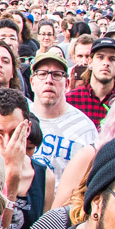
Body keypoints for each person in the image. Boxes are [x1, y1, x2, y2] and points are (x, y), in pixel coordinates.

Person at [0, 89, 52, 229]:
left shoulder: (45, 176)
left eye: (14, 133)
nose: (7, 143)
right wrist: (11, 178)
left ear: (27, 129)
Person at [27, 45, 96, 176]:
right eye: (42, 74)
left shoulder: (85, 129)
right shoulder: (19, 119)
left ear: (67, 84)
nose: (49, 80)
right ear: (32, 82)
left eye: (57, 75)